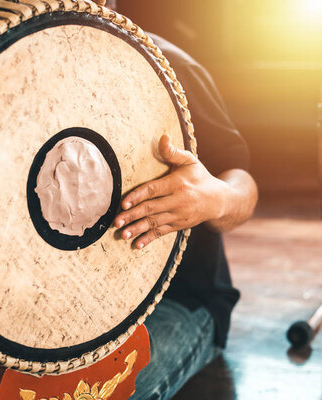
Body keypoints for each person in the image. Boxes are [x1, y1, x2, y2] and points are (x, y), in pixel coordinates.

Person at [101, 2, 259, 399]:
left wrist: (214, 197)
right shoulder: (22, 61)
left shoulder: (168, 67)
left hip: (179, 301)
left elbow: (244, 185)